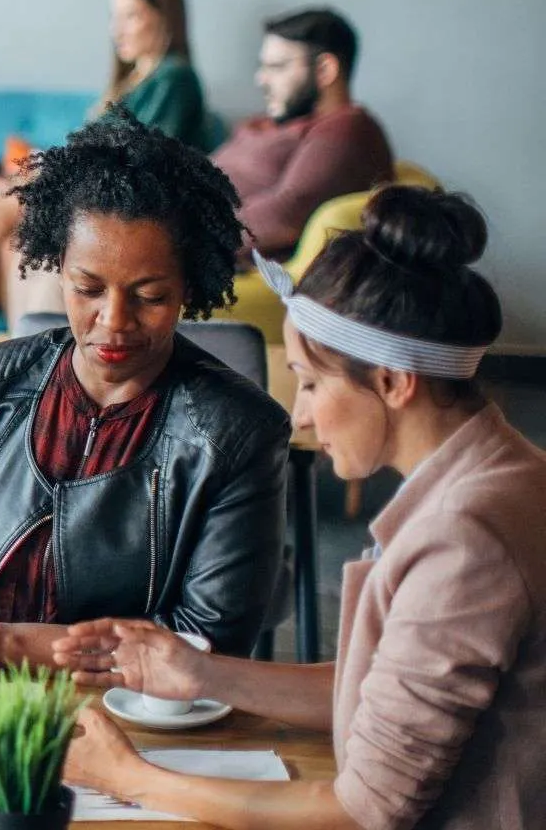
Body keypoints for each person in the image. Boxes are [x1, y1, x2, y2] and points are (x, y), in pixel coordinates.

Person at [57, 187, 544, 830]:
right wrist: (200, 673)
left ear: (394, 382)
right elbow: (382, 691)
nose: (302, 414)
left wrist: (131, 779)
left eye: (310, 382)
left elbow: (366, 809)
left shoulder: (463, 538)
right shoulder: (508, 472)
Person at [0, 113, 288, 680]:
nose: (114, 320)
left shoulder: (236, 433)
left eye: (150, 296)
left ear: (188, 285)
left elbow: (209, 642)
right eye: (88, 288)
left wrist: (3, 644)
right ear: (56, 266)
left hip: (122, 711)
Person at [0, 0, 210, 330]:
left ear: (165, 18)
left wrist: (48, 175)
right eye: (114, 17)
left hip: (125, 202)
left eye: (131, 16)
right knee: (12, 245)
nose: (116, 30)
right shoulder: (133, 80)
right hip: (92, 192)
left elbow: (142, 158)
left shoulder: (174, 78)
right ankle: (16, 352)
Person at [211, 7, 393, 261]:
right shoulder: (276, 122)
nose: (261, 79)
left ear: (325, 70)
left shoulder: (348, 129)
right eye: (262, 66)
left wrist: (182, 238)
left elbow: (284, 215)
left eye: (276, 67)